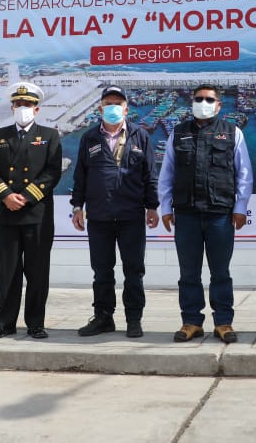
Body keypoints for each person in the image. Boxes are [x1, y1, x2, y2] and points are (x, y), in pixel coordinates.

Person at [158, 84, 252, 344]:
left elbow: (244, 173)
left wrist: (240, 207)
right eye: (198, 98)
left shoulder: (233, 133)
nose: (203, 102)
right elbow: (166, 173)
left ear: (219, 105)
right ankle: (191, 321)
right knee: (188, 272)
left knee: (220, 271)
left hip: (220, 214)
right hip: (186, 214)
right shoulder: (178, 134)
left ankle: (223, 321)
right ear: (191, 102)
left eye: (208, 99)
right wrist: (165, 208)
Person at [71, 85, 159, 339]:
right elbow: (81, 176)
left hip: (131, 215)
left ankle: (134, 319)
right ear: (100, 108)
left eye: (117, 103)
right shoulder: (89, 138)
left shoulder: (140, 136)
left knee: (134, 270)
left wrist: (152, 207)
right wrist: (78, 207)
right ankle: (103, 317)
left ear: (126, 109)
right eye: (108, 103)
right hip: (99, 216)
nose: (113, 107)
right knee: (101, 271)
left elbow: (150, 175)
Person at [0, 82, 63, 340]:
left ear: (36, 109)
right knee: (7, 272)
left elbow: (52, 172)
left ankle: (36, 324)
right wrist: (6, 195)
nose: (22, 108)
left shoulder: (50, 135)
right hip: (6, 214)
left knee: (38, 272)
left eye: (27, 105)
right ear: (12, 107)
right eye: (18, 104)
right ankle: (4, 323)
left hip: (36, 213)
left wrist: (26, 197)